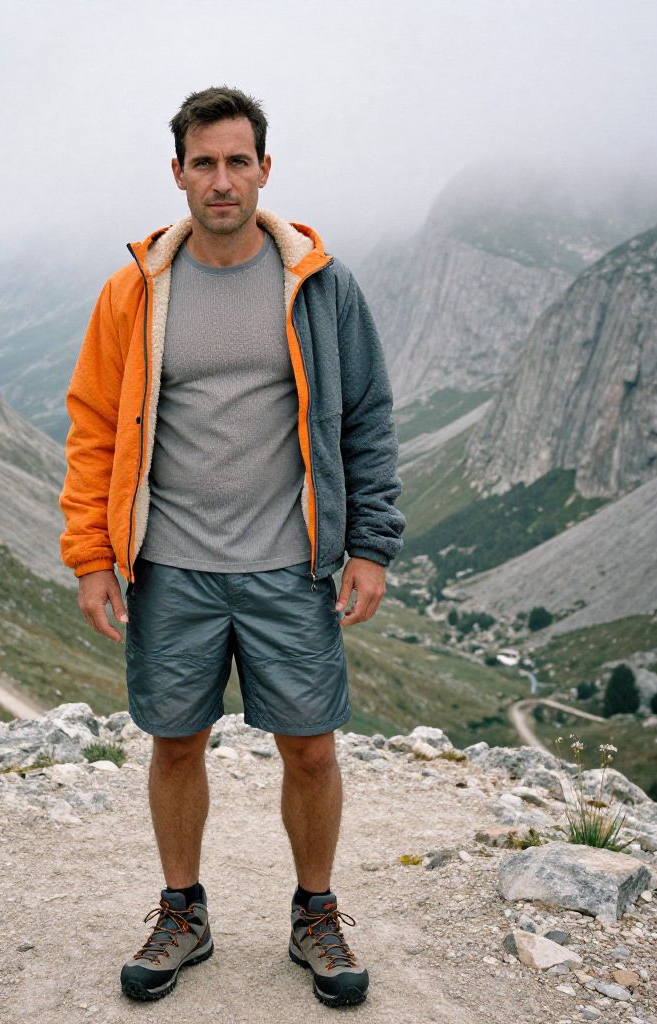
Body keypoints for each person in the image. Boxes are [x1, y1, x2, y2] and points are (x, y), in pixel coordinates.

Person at [58, 85, 405, 1008]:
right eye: (204, 163)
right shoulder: (136, 291)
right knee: (175, 745)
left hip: (291, 564)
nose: (222, 180)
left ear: (265, 169)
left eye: (237, 161)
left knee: (312, 750)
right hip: (171, 565)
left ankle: (316, 914)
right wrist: (91, 555)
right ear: (177, 173)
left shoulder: (321, 286)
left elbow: (367, 419)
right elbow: (95, 426)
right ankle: (183, 913)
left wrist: (370, 546)